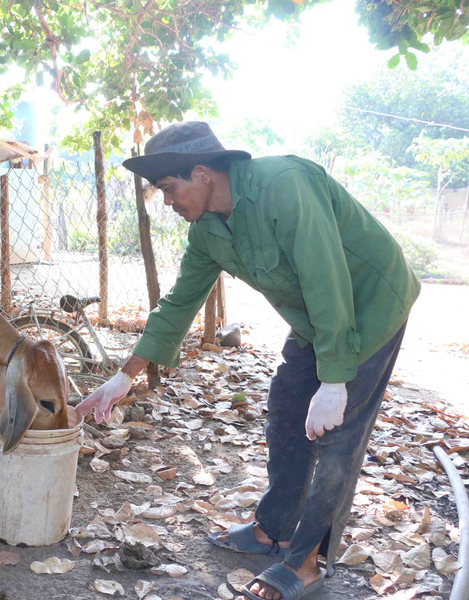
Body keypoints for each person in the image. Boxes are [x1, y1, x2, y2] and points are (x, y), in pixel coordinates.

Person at [75, 122, 420, 600]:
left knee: (338, 435)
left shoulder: (284, 187)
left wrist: (334, 382)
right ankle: (273, 530)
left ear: (202, 173)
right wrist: (123, 377)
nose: (168, 202)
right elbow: (178, 304)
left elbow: (326, 280)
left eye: (170, 188)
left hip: (371, 304)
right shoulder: (208, 231)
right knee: (286, 411)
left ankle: (306, 564)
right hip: (315, 318)